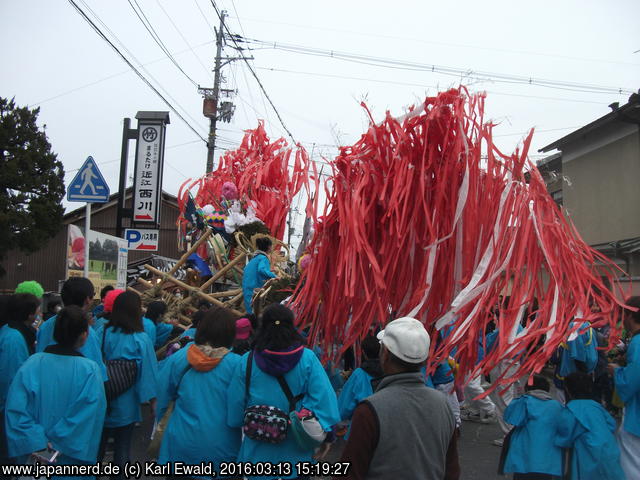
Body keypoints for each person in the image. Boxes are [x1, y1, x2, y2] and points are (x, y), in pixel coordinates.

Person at [227, 303, 340, 479]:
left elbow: (235, 408)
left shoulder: (247, 361)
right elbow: (325, 401)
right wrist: (327, 436)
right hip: (295, 458)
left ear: (262, 327)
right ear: (292, 326)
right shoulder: (308, 358)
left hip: (256, 458)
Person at [338, 317, 460, 480]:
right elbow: (451, 469)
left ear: (385, 354)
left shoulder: (369, 410)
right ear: (424, 360)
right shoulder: (443, 404)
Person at [5, 306, 106, 477]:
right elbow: (88, 415)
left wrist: (39, 442)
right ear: (84, 335)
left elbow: (15, 410)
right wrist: (57, 442)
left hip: (34, 457)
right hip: (71, 463)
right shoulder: (90, 370)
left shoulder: (31, 364)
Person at [156, 307, 243, 469]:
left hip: (180, 442)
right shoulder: (238, 365)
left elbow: (161, 397)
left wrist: (160, 420)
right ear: (231, 333)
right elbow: (239, 408)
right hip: (222, 447)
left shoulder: (180, 357)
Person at [98, 291, 158, 474]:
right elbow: (149, 372)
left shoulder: (102, 331)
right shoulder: (140, 338)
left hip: (101, 398)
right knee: (122, 449)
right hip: (127, 402)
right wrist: (153, 402)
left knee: (96, 449)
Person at [555, 372, 624, 480]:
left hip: (588, 453)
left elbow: (564, 437)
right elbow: (611, 425)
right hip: (609, 448)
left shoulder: (571, 409)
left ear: (568, 390)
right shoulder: (597, 406)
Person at [37, 277, 107, 381]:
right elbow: (97, 375)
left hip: (44, 385)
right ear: (87, 299)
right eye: (93, 296)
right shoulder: (86, 332)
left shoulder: (46, 326)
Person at [0, 293, 40, 465]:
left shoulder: (14, 332)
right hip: (9, 408)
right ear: (29, 314)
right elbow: (12, 378)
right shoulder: (14, 338)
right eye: (37, 310)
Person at [501, 375, 564, 480]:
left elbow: (510, 418)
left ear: (528, 388)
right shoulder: (556, 405)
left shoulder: (525, 401)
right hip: (548, 459)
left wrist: (519, 397)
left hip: (525, 455)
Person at [610, 296, 640, 479]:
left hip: (636, 416)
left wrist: (617, 372)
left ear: (629, 315)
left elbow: (632, 381)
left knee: (632, 464)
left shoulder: (638, 343)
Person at [338, 335, 382, 433]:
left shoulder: (359, 374)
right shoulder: (391, 372)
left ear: (363, 353)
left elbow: (344, 406)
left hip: (361, 428)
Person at [242, 237, 277, 314]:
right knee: (255, 311)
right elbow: (261, 270)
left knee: (250, 311)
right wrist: (275, 276)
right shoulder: (263, 258)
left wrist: (269, 272)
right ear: (268, 247)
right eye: (271, 246)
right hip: (254, 287)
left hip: (248, 286)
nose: (272, 248)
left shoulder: (255, 258)